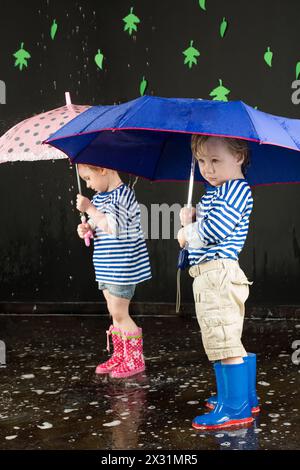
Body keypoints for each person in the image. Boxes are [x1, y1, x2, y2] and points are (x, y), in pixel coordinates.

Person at [177, 135, 260, 430]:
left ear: (238, 157)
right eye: (201, 161)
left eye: (215, 161)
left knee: (223, 341)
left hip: (218, 276)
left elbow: (217, 229)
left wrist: (189, 231)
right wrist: (195, 214)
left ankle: (235, 408)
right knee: (225, 337)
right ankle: (241, 396)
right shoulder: (217, 190)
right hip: (210, 275)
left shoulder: (237, 190)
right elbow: (212, 218)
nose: (207, 169)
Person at [76, 164, 151, 378]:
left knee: (119, 312)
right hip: (106, 265)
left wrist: (89, 208)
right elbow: (96, 224)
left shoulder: (123, 195)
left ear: (102, 170)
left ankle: (135, 359)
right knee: (113, 311)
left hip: (123, 266)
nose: (88, 184)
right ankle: (121, 354)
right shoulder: (100, 197)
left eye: (89, 178)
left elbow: (113, 227)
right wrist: (86, 228)